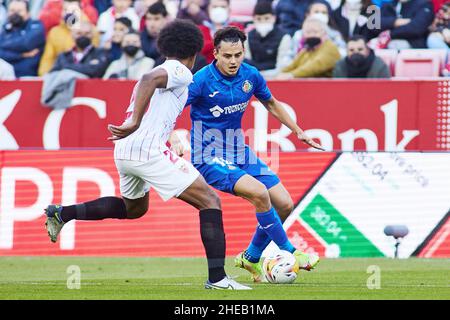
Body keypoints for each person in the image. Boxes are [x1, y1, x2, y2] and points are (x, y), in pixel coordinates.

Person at [44, 19, 251, 291]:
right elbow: (148, 79)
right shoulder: (180, 70)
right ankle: (218, 279)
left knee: (134, 209)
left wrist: (162, 132)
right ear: (194, 52)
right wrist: (135, 122)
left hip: (127, 149)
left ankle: (62, 213)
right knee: (210, 200)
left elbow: (156, 100)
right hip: (145, 149)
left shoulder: (165, 68)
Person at [186, 26, 322, 283]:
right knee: (260, 193)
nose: (233, 61)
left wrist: (297, 130)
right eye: (227, 56)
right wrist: (170, 135)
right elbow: (172, 107)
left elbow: (270, 102)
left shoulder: (251, 75)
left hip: (238, 150)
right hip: (208, 154)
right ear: (215, 53)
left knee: (283, 203)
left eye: (238, 54)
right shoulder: (201, 80)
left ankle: (251, 256)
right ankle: (291, 252)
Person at [38, 0, 101, 76]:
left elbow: (91, 54)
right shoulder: (55, 32)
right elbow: (48, 59)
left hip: (84, 75)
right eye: (65, 10)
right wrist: (44, 77)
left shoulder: (91, 30)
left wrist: (67, 67)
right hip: (60, 76)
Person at [244, 0, 293, 79]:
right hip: (253, 79)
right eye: (259, 19)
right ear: (254, 19)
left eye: (266, 18)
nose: (263, 21)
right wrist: (270, 65)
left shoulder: (284, 37)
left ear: (274, 18)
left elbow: (282, 66)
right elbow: (246, 65)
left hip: (275, 79)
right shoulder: (247, 37)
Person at [0, 0, 45, 77]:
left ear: (28, 13)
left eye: (19, 11)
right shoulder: (6, 28)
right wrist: (21, 55)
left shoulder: (36, 26)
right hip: (5, 76)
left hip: (28, 76)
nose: (15, 14)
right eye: (12, 10)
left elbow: (26, 44)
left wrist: (6, 45)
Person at [140, 1, 169, 66]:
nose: (152, 24)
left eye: (156, 19)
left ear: (166, 19)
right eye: (149, 19)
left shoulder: (172, 39)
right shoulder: (139, 37)